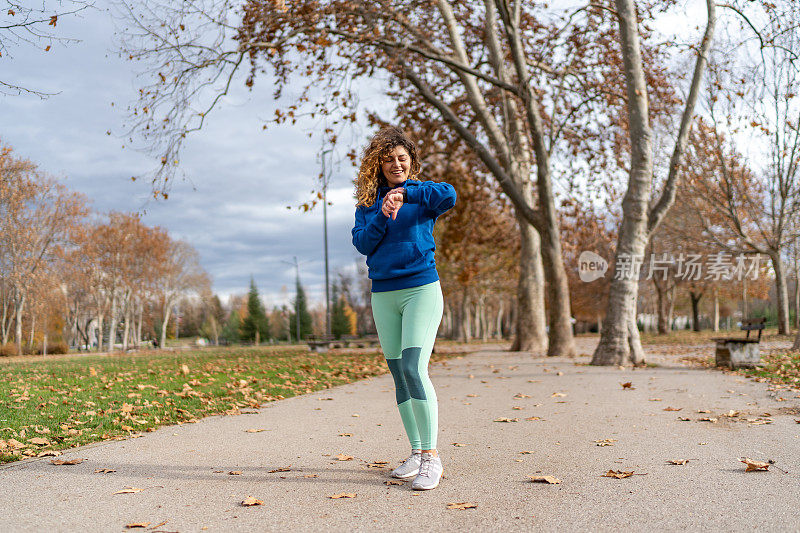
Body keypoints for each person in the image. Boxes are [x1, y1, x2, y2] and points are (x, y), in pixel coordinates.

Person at [351, 126, 456, 490]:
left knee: (414, 366)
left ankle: (432, 458)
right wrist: (382, 211)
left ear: (410, 163)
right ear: (377, 164)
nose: (395, 164)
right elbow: (363, 243)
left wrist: (406, 192)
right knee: (398, 373)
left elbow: (450, 195)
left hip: (421, 290)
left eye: (402, 159)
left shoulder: (422, 194)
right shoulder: (367, 203)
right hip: (383, 294)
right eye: (388, 159)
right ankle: (415, 452)